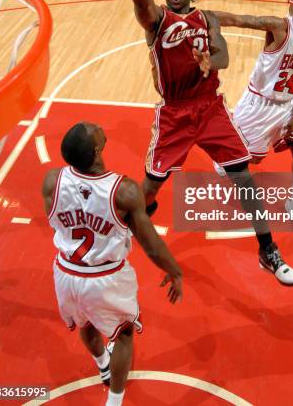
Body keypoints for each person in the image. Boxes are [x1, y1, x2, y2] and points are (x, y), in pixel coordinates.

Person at [111, 0, 293, 286]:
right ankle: (132, 221)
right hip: (175, 114)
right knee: (151, 186)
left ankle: (267, 248)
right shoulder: (156, 21)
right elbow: (140, 2)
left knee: (243, 179)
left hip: (211, 108)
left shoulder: (206, 18)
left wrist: (211, 60)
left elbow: (224, 55)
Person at [43, 123, 182, 406]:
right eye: (93, 129)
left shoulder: (51, 181)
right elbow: (152, 246)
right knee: (125, 334)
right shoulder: (125, 191)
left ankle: (102, 364)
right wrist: (175, 271)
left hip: (66, 272)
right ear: (96, 150)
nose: (96, 126)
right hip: (104, 276)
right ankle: (114, 402)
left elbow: (57, 220)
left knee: (86, 323)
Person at [213, 0, 293, 232]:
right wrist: (205, 17)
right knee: (248, 158)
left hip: (288, 105)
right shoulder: (280, 27)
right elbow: (242, 20)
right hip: (259, 103)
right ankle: (225, 148)